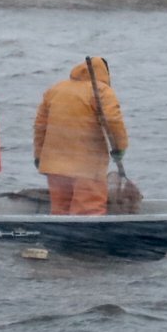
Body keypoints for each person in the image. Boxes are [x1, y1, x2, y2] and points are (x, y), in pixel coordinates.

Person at [32, 56, 129, 216]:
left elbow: (40, 126)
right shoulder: (102, 91)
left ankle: (60, 238)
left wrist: (39, 154)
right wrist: (120, 147)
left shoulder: (55, 89)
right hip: (87, 166)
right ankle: (86, 240)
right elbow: (112, 120)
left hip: (55, 166)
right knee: (88, 211)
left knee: (60, 211)